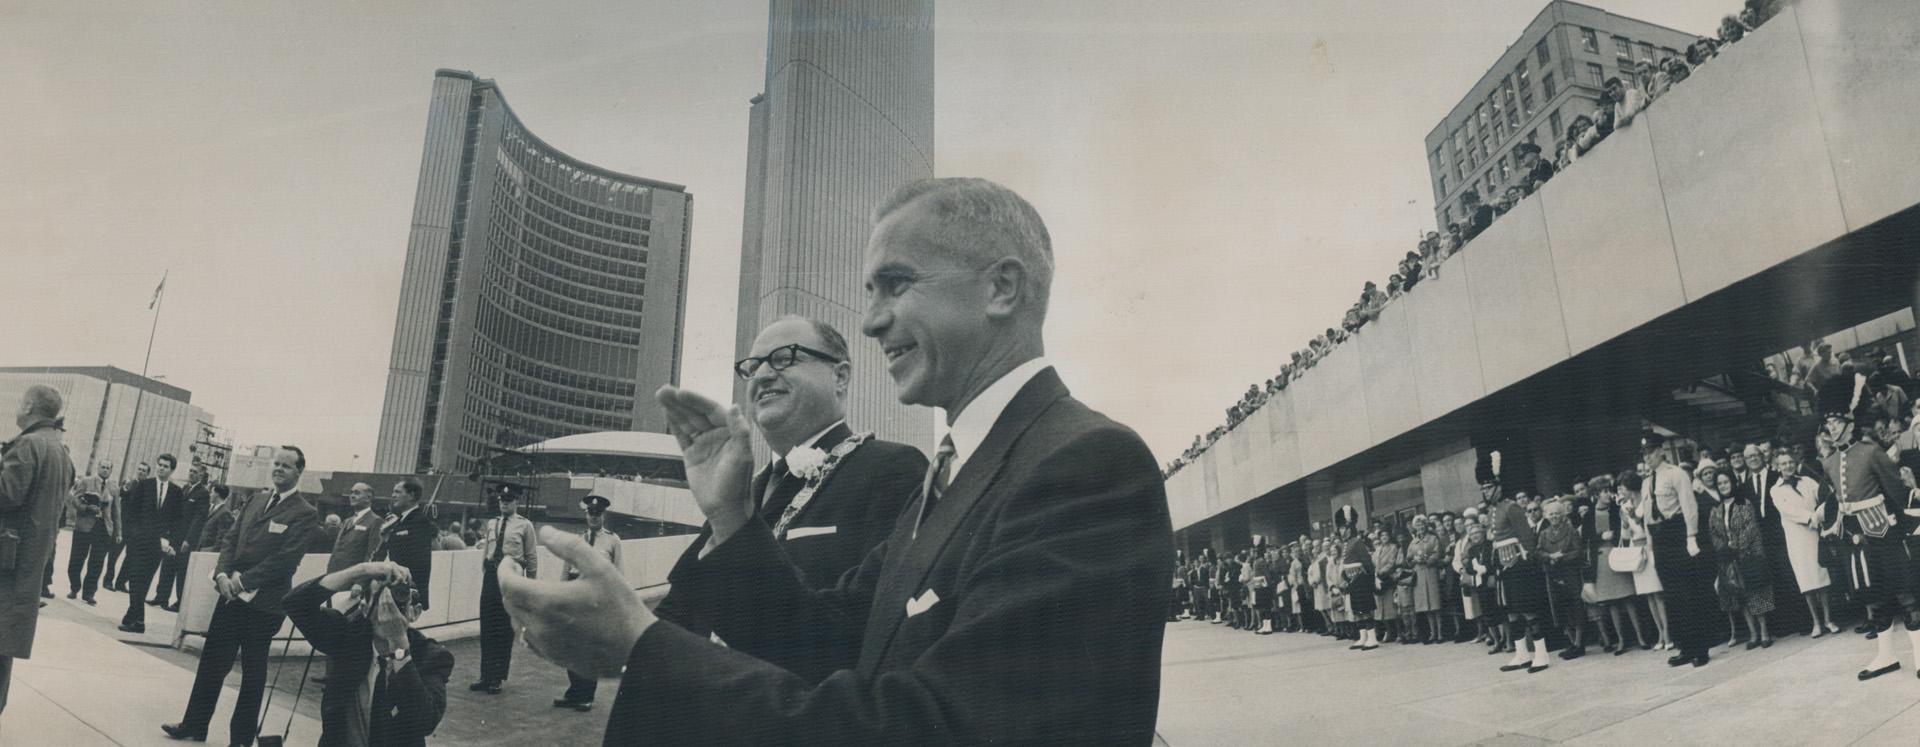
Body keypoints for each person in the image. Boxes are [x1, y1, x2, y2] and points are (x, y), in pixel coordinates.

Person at [498, 177, 1174, 745]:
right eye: (869, 293)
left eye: (895, 284)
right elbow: (820, 643)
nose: (873, 320)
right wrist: (732, 512)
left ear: (1001, 288)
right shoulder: (950, 478)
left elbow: (943, 727)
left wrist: (639, 646)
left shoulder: (1087, 466)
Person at [654, 316, 928, 636]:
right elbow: (677, 613)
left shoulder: (891, 469)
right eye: (753, 367)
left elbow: (864, 630)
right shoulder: (737, 494)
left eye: (784, 358)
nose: (764, 375)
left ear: (839, 377)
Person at [164, 445, 319, 745]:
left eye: (286, 466)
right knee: (212, 663)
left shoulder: (305, 513)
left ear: (299, 472)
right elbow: (230, 539)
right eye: (276, 463)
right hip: (230, 597)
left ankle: (241, 739)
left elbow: (286, 559)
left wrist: (243, 581)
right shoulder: (255, 499)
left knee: (252, 674)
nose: (278, 469)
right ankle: (195, 724)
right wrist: (222, 574)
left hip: (264, 606)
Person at [281, 560, 455, 746]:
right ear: (364, 608)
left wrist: (399, 647)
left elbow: (425, 722)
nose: (386, 611)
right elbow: (295, 603)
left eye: (397, 602)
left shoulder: (431, 656)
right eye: (379, 599)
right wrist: (360, 570)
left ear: (415, 612)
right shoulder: (348, 636)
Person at [1818, 402, 1920, 681]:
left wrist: (1902, 525)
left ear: (1850, 423)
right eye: (1829, 424)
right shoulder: (1828, 462)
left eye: (1837, 421)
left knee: (1905, 592)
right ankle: (1886, 655)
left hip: (1883, 532)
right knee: (1873, 595)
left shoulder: (1870, 452)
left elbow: (1896, 492)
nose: (1832, 428)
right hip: (1855, 537)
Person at [0, 386, 77, 716]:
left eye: (20, 402)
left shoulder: (28, 445)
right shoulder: (59, 451)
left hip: (6, 565)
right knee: (3, 649)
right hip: (27, 567)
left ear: (29, 405)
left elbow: (7, 495)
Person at [1642, 432, 1716, 668]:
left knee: (1689, 593)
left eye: (1651, 453)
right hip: (1659, 538)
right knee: (1672, 596)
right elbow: (1647, 518)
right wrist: (1650, 547)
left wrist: (1691, 536)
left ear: (1661, 452)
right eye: (1644, 454)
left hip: (1677, 533)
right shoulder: (1647, 481)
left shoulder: (1676, 474)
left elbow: (1689, 506)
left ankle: (1700, 648)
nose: (1648, 458)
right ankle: (1685, 647)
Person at [554, 495, 623, 712]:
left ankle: (586, 696)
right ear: (586, 515)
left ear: (604, 515)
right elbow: (566, 570)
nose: (594, 517)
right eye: (590, 513)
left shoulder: (613, 541)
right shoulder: (576, 541)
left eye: (598, 514)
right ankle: (574, 692)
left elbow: (618, 575)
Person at [472, 488, 535, 694]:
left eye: (508, 501)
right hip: (491, 576)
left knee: (503, 628)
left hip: (510, 576)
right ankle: (485, 675)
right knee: (487, 625)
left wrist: (529, 585)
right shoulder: (492, 523)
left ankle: (497, 677)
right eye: (501, 501)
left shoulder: (525, 525)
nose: (504, 505)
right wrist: (485, 569)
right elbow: (486, 551)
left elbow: (531, 556)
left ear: (516, 502)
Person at [1771, 449, 1839, 636]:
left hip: (1815, 536)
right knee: (1806, 582)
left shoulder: (1808, 482)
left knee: (1822, 577)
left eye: (1790, 462)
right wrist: (1812, 517)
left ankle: (1828, 620)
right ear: (1777, 466)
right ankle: (1816, 623)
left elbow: (1823, 498)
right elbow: (1788, 511)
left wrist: (1821, 513)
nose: (1788, 466)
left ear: (1796, 463)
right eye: (1783, 463)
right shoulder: (1775, 490)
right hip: (1797, 540)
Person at [1708, 468, 1774, 649]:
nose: (1723, 486)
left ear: (1732, 483)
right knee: (1741, 596)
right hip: (1728, 560)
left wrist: (1735, 546)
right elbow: (1713, 534)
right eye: (1719, 483)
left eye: (1726, 482)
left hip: (1748, 555)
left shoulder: (1744, 504)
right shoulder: (1715, 510)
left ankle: (1764, 632)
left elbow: (1751, 528)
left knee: (1756, 593)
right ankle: (1753, 634)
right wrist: (1724, 549)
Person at [119, 452, 184, 634]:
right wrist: (132, 538)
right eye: (160, 464)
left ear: (171, 470)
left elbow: (178, 521)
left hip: (159, 546)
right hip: (139, 542)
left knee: (144, 581)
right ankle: (138, 620)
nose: (161, 468)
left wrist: (172, 543)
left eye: (166, 466)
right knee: (135, 579)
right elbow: (132, 514)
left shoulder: (176, 492)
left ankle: (132, 617)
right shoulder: (144, 486)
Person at [1489, 481, 1550, 673]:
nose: (1485, 491)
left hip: (1519, 563)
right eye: (1482, 488)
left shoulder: (1511, 507)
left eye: (1488, 487)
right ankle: (1521, 654)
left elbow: (1526, 537)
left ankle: (1541, 654)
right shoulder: (1494, 510)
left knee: (1527, 608)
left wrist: (1528, 562)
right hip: (1503, 563)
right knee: (1511, 610)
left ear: (1498, 487)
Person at [161, 464, 214, 611]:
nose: (191, 474)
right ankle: (161, 597)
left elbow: (199, 519)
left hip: (186, 539)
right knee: (167, 566)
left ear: (201, 475)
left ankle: (180, 602)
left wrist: (189, 540)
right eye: (190, 471)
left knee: (182, 571)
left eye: (195, 472)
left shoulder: (203, 493)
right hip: (174, 535)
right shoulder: (184, 489)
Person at [65, 460, 119, 604]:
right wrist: (87, 508)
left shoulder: (114, 487)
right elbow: (75, 500)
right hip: (84, 526)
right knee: (77, 559)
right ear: (98, 468)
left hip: (103, 528)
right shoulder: (86, 481)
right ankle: (74, 587)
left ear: (111, 470)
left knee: (97, 562)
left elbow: (116, 512)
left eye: (108, 468)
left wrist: (118, 532)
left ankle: (89, 593)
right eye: (103, 467)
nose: (105, 470)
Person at [377, 479, 436, 610]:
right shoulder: (399, 521)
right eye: (393, 492)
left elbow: (420, 561)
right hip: (395, 586)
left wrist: (412, 592)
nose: (393, 495)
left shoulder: (420, 521)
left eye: (398, 492)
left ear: (411, 496)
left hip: (406, 590)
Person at [105, 461, 150, 592]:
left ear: (147, 474)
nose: (141, 472)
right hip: (123, 525)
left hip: (137, 528)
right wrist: (125, 488)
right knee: (114, 553)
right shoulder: (129, 484)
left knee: (131, 557)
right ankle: (108, 580)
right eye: (139, 469)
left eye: (144, 470)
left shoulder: (147, 487)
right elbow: (119, 496)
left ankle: (121, 582)